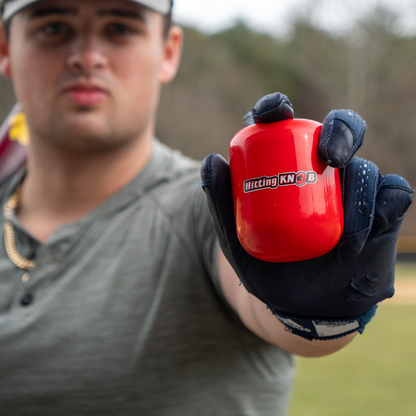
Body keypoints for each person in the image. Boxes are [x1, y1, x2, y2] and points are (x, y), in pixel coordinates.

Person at [0, 0, 412, 415]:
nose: (86, 56)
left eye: (119, 28)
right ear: (5, 49)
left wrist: (316, 309)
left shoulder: (211, 208)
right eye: (53, 27)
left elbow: (262, 305)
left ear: (168, 51)